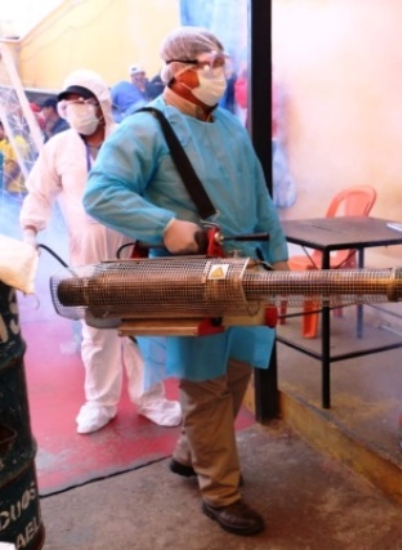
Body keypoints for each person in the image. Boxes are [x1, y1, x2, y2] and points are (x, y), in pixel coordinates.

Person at [83, 27, 288, 537]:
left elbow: (261, 198)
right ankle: (220, 493)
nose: (220, 74)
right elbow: (101, 193)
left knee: (237, 367)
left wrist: (279, 261)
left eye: (223, 64)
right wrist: (163, 226)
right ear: (177, 71)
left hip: (246, 270)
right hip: (192, 275)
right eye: (209, 63)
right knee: (205, 384)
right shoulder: (145, 128)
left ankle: (189, 453)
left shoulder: (230, 125)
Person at [19, 69, 182, 434]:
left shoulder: (128, 139)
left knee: (140, 328)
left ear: (101, 104)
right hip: (87, 251)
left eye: (82, 102)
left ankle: (151, 399)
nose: (75, 110)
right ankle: (100, 403)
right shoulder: (59, 148)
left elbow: (158, 187)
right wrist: (30, 230)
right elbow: (39, 193)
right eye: (68, 104)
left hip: (133, 247)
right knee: (96, 331)